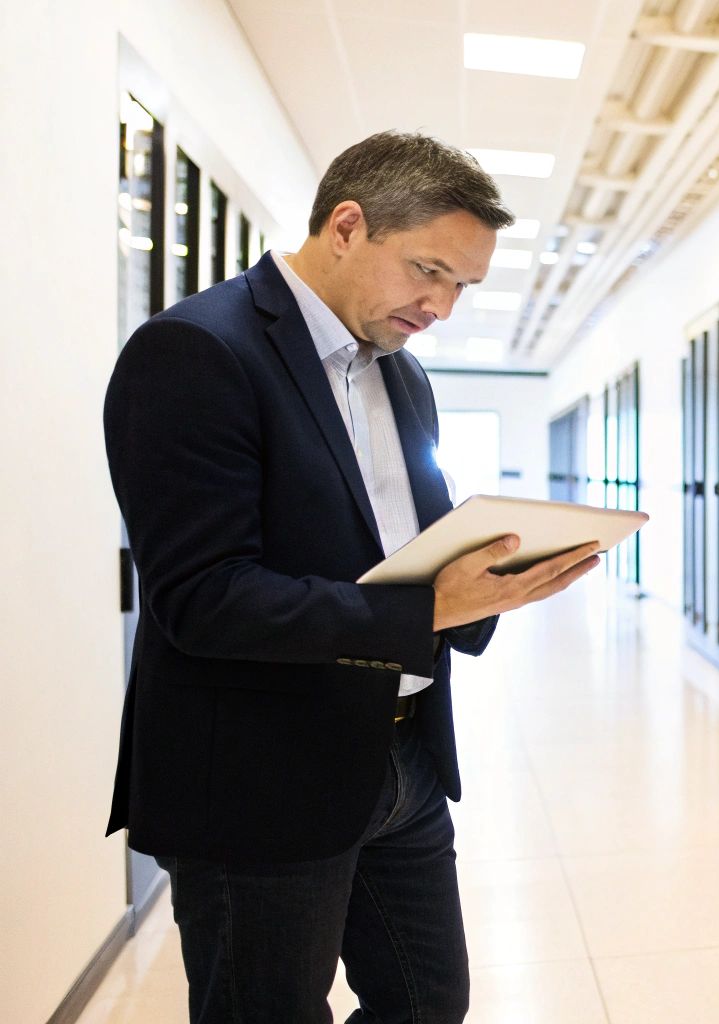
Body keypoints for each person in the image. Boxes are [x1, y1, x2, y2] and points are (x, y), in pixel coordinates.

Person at [102, 130, 599, 1023]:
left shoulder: (402, 377)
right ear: (345, 225)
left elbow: (406, 536)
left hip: (401, 757)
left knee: (425, 1004)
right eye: (429, 271)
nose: (441, 305)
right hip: (261, 781)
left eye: (462, 287)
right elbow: (200, 598)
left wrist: (497, 572)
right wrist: (423, 610)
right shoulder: (197, 352)